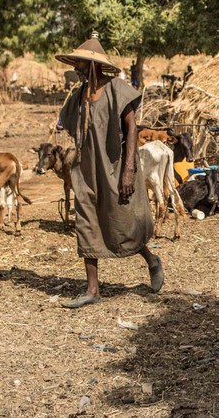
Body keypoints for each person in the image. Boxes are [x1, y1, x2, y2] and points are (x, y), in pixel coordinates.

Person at [54, 34, 163, 308]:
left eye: (80, 64)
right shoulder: (79, 95)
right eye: (76, 64)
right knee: (86, 222)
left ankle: (151, 260)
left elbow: (132, 129)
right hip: (86, 170)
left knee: (122, 221)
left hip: (114, 168)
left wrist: (129, 171)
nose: (77, 68)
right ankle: (92, 289)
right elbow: (69, 122)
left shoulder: (117, 89)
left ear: (93, 65)